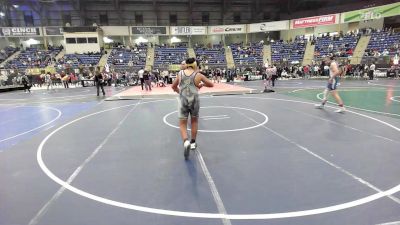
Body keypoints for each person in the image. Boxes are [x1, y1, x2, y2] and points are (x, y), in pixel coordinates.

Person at [171, 58, 214, 160]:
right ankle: (193, 143)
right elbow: (211, 84)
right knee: (194, 121)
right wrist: (201, 84)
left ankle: (186, 141)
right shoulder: (198, 75)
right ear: (195, 65)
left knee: (182, 123)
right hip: (194, 100)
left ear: (186, 64)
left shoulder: (180, 73)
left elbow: (173, 86)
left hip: (183, 100)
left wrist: (179, 92)